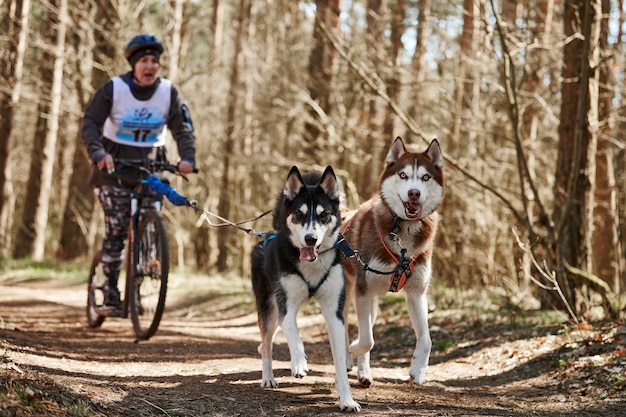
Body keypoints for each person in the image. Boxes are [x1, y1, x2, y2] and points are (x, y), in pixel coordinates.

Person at [82, 34, 196, 308]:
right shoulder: (114, 88)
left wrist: (188, 158)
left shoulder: (169, 92)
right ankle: (109, 289)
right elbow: (90, 123)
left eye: (154, 61)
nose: (150, 66)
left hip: (152, 169)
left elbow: (183, 129)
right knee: (118, 229)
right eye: (144, 61)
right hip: (114, 170)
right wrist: (98, 153)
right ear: (134, 64)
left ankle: (142, 274)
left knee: (149, 222)